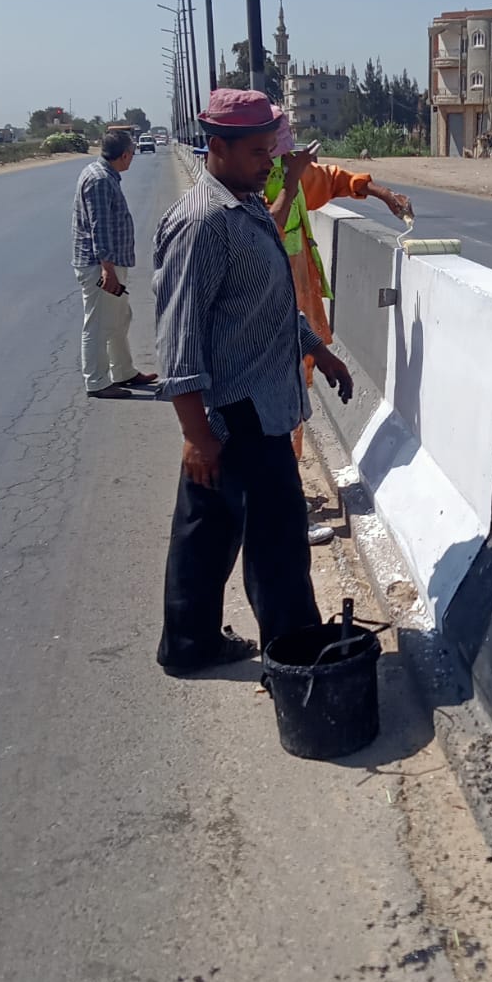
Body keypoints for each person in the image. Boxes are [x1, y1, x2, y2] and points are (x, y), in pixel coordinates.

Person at [152, 89, 354, 676]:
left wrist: (318, 350)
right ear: (218, 147)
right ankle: (298, 659)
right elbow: (179, 340)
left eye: (272, 150)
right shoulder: (203, 224)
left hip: (256, 404)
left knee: (207, 532)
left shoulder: (246, 207)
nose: (270, 162)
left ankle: (190, 645)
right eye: (258, 152)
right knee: (278, 543)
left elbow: (267, 304)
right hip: (238, 414)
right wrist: (197, 436)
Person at [262, 142, 413, 543]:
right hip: (272, 313)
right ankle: (283, 512)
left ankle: (284, 496)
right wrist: (290, 181)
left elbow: (332, 180)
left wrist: (382, 193)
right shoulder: (259, 183)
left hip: (294, 305)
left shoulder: (289, 175)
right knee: (278, 410)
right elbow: (268, 228)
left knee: (292, 403)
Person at [71, 128, 157, 398]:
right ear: (125, 155)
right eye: (132, 153)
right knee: (98, 324)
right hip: (100, 265)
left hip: (111, 263)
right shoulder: (99, 180)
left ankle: (123, 371)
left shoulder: (104, 175)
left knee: (120, 318)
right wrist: (107, 269)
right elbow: (100, 228)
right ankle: (96, 381)